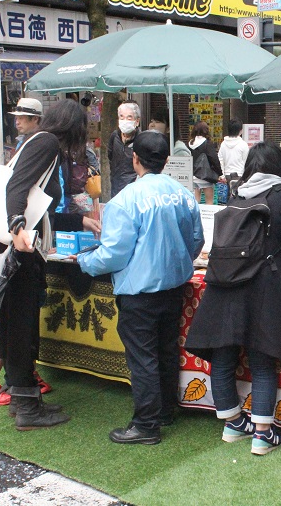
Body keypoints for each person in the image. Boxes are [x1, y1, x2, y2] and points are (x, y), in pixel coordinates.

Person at [185, 142, 281, 455]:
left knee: (223, 356)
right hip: (265, 287)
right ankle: (262, 434)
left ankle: (233, 423)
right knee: (262, 361)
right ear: (280, 167)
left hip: (223, 284)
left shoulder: (236, 195)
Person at [75, 131, 203, 445]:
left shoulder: (125, 201)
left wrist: (84, 261)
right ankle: (165, 410)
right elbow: (196, 240)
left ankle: (146, 424)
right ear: (167, 160)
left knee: (144, 357)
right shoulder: (183, 194)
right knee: (166, 350)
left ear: (135, 160)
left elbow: (114, 254)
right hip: (174, 286)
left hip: (139, 291)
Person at [0, 99, 100, 430]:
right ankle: (27, 407)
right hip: (17, 246)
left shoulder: (39, 143)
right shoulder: (46, 143)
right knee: (21, 323)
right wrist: (17, 227)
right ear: (73, 127)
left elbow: (40, 209)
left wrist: (79, 221)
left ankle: (22, 398)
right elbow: (17, 187)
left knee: (17, 322)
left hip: (15, 242)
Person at [0, 98, 52, 407]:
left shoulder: (26, 151)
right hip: (7, 248)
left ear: (36, 120)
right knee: (4, 324)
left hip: (11, 245)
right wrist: (16, 227)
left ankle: (21, 379)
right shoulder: (28, 153)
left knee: (10, 323)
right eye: (16, 116)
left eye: (23, 117)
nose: (17, 121)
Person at [108, 101, 141, 198]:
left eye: (129, 118)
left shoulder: (141, 139)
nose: (125, 121)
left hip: (134, 191)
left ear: (137, 121)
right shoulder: (114, 136)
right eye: (121, 117)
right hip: (115, 188)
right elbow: (110, 157)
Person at [189, 121, 222, 204]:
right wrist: (220, 173)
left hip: (193, 177)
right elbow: (214, 159)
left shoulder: (190, 143)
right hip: (206, 177)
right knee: (209, 203)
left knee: (195, 202)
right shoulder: (207, 143)